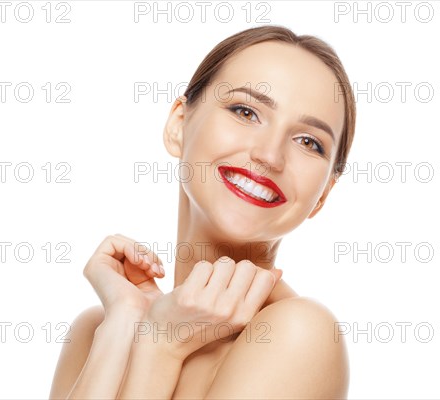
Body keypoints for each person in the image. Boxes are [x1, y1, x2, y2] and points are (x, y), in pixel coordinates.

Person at [49, 24, 356, 399]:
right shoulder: (99, 328)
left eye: (309, 142)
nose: (269, 155)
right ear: (179, 124)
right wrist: (126, 321)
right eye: (245, 111)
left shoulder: (299, 335)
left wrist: (161, 345)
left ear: (323, 193)